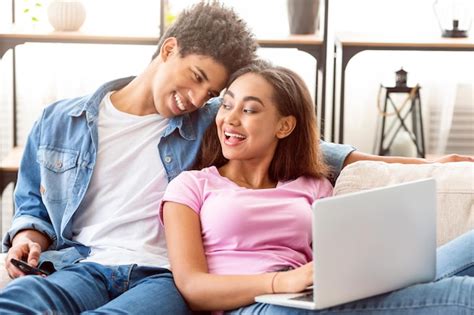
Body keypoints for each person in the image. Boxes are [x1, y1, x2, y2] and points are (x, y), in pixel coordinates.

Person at [0, 1, 472, 314]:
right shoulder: (60, 119)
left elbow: (317, 151)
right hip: (82, 264)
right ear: (169, 49)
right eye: (196, 77)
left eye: (212, 90)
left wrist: (434, 165)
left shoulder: (209, 123)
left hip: (158, 275)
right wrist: (28, 237)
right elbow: (32, 207)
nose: (197, 97)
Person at [160, 60, 474, 315]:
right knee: (461, 296)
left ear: (284, 126)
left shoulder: (312, 185)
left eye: (249, 110)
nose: (230, 119)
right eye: (227, 106)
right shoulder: (191, 186)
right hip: (255, 307)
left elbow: (335, 262)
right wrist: (282, 283)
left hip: (309, 299)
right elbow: (194, 289)